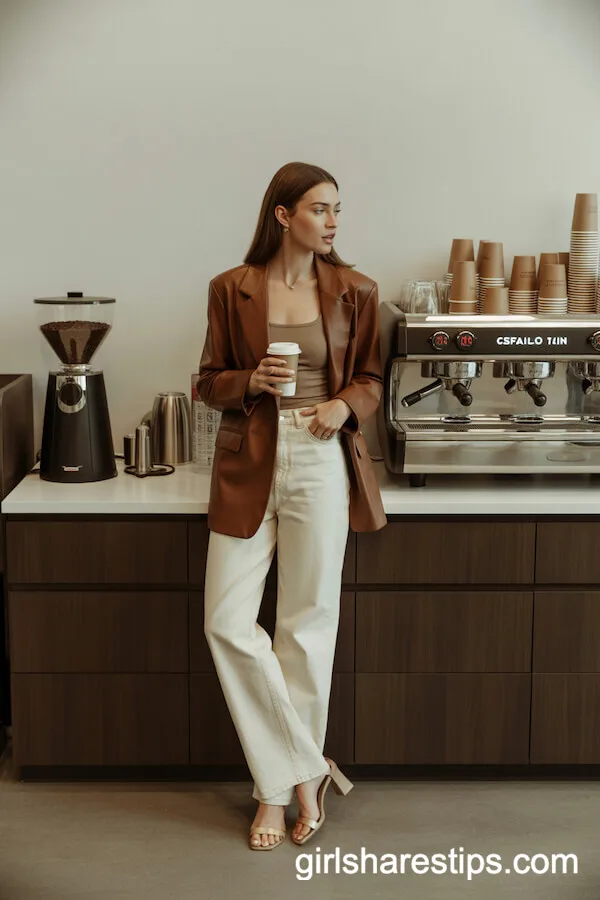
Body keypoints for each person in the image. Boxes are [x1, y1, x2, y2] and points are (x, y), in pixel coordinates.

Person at [197, 161, 387, 851]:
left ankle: (274, 794)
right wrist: (251, 379)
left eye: (337, 208)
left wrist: (341, 404)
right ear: (283, 214)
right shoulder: (231, 288)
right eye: (318, 208)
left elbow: (371, 377)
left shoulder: (357, 290)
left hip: (318, 456)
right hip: (250, 458)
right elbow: (207, 381)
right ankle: (308, 769)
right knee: (225, 619)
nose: (332, 220)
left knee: (307, 628)